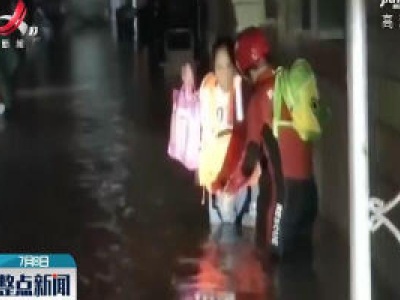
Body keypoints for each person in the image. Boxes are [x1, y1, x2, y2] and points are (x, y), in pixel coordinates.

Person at [227, 27, 318, 261]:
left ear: (243, 67)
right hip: (308, 194)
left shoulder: (259, 100)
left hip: (281, 199)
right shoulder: (290, 88)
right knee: (303, 266)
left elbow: (250, 156)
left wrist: (230, 186)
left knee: (272, 265)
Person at [197, 37, 259, 228]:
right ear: (213, 68)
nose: (224, 73)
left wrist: (238, 181)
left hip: (242, 178)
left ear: (236, 66)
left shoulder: (244, 92)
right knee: (219, 243)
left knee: (246, 241)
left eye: (228, 65)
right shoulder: (207, 91)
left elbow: (250, 139)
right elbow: (203, 136)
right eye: (219, 66)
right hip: (216, 181)